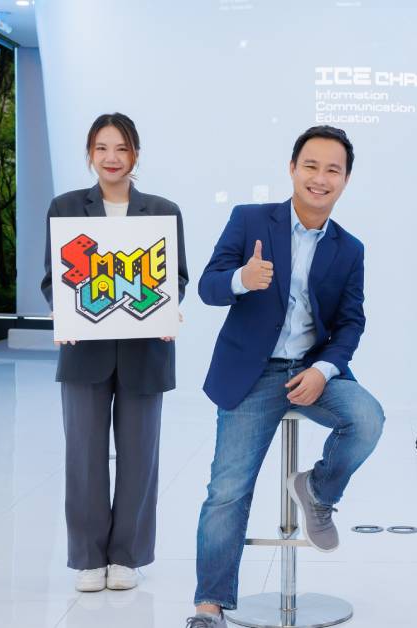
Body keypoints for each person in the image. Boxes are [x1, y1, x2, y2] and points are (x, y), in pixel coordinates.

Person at [187, 126, 384, 628]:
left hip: (313, 371)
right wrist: (242, 279)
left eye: (333, 170)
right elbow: (208, 287)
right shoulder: (249, 220)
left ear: (346, 180)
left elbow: (351, 323)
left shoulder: (350, 248)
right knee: (228, 490)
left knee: (367, 419)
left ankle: (317, 490)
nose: (320, 178)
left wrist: (322, 369)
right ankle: (210, 605)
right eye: (311, 166)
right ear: (292, 168)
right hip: (252, 373)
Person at [40, 112, 188, 592]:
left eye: (121, 148)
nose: (112, 158)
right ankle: (87, 559)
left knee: (140, 457)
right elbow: (54, 278)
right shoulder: (66, 208)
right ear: (89, 154)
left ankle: (127, 556)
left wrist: (167, 308)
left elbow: (176, 277)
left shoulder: (163, 211)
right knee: (83, 456)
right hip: (84, 351)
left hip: (145, 351)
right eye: (102, 148)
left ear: (135, 155)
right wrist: (62, 312)